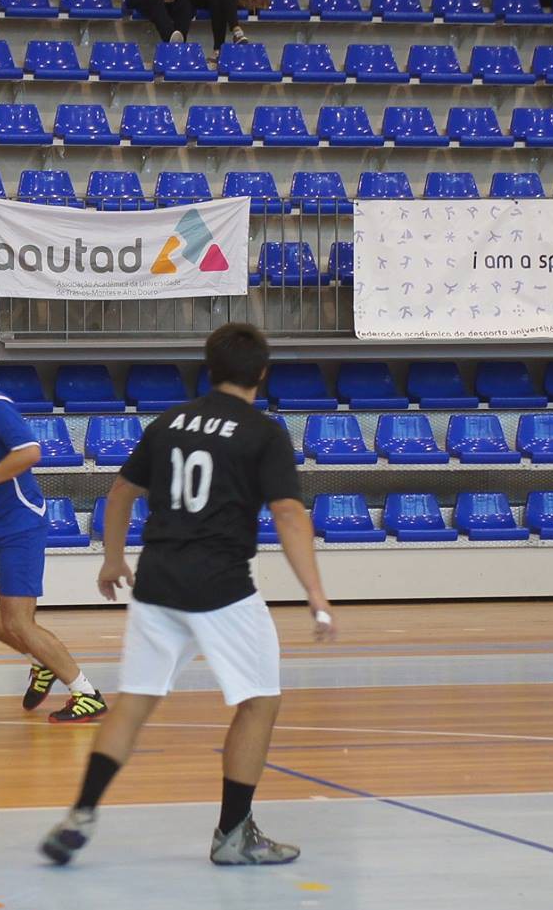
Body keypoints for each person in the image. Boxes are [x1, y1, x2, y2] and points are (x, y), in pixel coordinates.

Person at [41, 323, 334, 867]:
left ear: (209, 366)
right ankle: (232, 833)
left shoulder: (169, 422)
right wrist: (316, 594)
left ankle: (80, 813)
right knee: (259, 701)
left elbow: (122, 490)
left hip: (157, 583)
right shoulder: (263, 432)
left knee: (133, 702)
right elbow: (290, 513)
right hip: (221, 588)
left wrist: (111, 558)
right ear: (262, 372)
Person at [0, 330, 107, 724]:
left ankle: (85, 692)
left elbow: (30, 452)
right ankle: (38, 660)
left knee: (17, 621)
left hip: (18, 525)